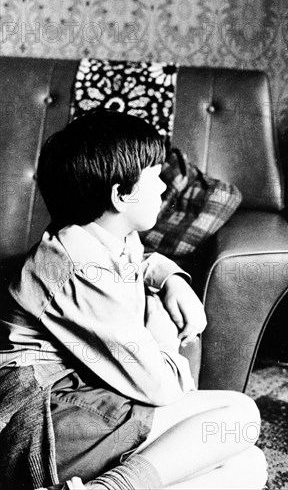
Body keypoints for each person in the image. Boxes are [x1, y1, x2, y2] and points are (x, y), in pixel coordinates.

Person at [0, 110, 267, 489]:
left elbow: (134, 264)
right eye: (155, 177)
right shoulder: (73, 263)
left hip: (83, 404)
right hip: (41, 424)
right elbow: (164, 387)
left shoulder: (108, 233)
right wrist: (158, 316)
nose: (164, 189)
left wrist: (169, 277)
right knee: (240, 418)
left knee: (246, 466)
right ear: (120, 195)